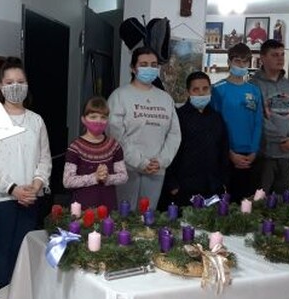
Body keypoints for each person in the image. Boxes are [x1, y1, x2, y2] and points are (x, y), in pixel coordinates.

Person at [0, 57, 51, 299]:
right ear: (1, 86)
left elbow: (44, 158)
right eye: (9, 82)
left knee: (25, 249)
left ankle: (23, 298)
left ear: (27, 85)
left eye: (20, 82)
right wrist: (12, 188)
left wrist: (36, 184)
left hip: (31, 195)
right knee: (3, 249)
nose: (15, 86)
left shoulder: (36, 120)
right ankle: (5, 298)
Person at [108, 47, 181, 210]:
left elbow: (174, 134)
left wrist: (161, 161)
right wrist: (140, 162)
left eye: (154, 65)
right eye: (144, 64)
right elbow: (115, 135)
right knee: (124, 216)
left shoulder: (165, 98)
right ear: (133, 68)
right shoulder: (119, 96)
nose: (150, 68)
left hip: (156, 169)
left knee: (147, 215)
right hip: (126, 168)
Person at [162, 72, 228, 206]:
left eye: (205, 89)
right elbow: (169, 151)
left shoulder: (216, 118)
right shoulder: (178, 117)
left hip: (213, 186)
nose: (201, 93)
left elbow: (223, 150)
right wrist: (172, 184)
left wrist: (224, 181)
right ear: (188, 92)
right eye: (196, 89)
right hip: (184, 187)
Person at [211, 43, 263, 202]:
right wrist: (229, 152)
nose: (241, 65)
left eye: (245, 61)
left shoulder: (254, 90)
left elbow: (258, 122)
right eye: (237, 61)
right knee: (227, 202)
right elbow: (215, 126)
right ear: (229, 62)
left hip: (250, 155)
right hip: (227, 153)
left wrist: (254, 151)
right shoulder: (218, 89)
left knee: (247, 202)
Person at [252, 39, 289, 194]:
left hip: (287, 153)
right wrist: (281, 139)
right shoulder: (254, 85)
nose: (280, 59)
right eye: (275, 55)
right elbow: (258, 117)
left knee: (282, 199)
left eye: (282, 55)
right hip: (265, 153)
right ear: (263, 58)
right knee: (261, 198)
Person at [63, 96, 127, 209]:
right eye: (93, 117)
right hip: (82, 209)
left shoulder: (114, 146)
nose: (98, 121)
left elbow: (123, 176)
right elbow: (67, 181)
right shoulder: (75, 147)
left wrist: (107, 178)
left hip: (108, 206)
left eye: (103, 117)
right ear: (83, 119)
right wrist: (95, 177)